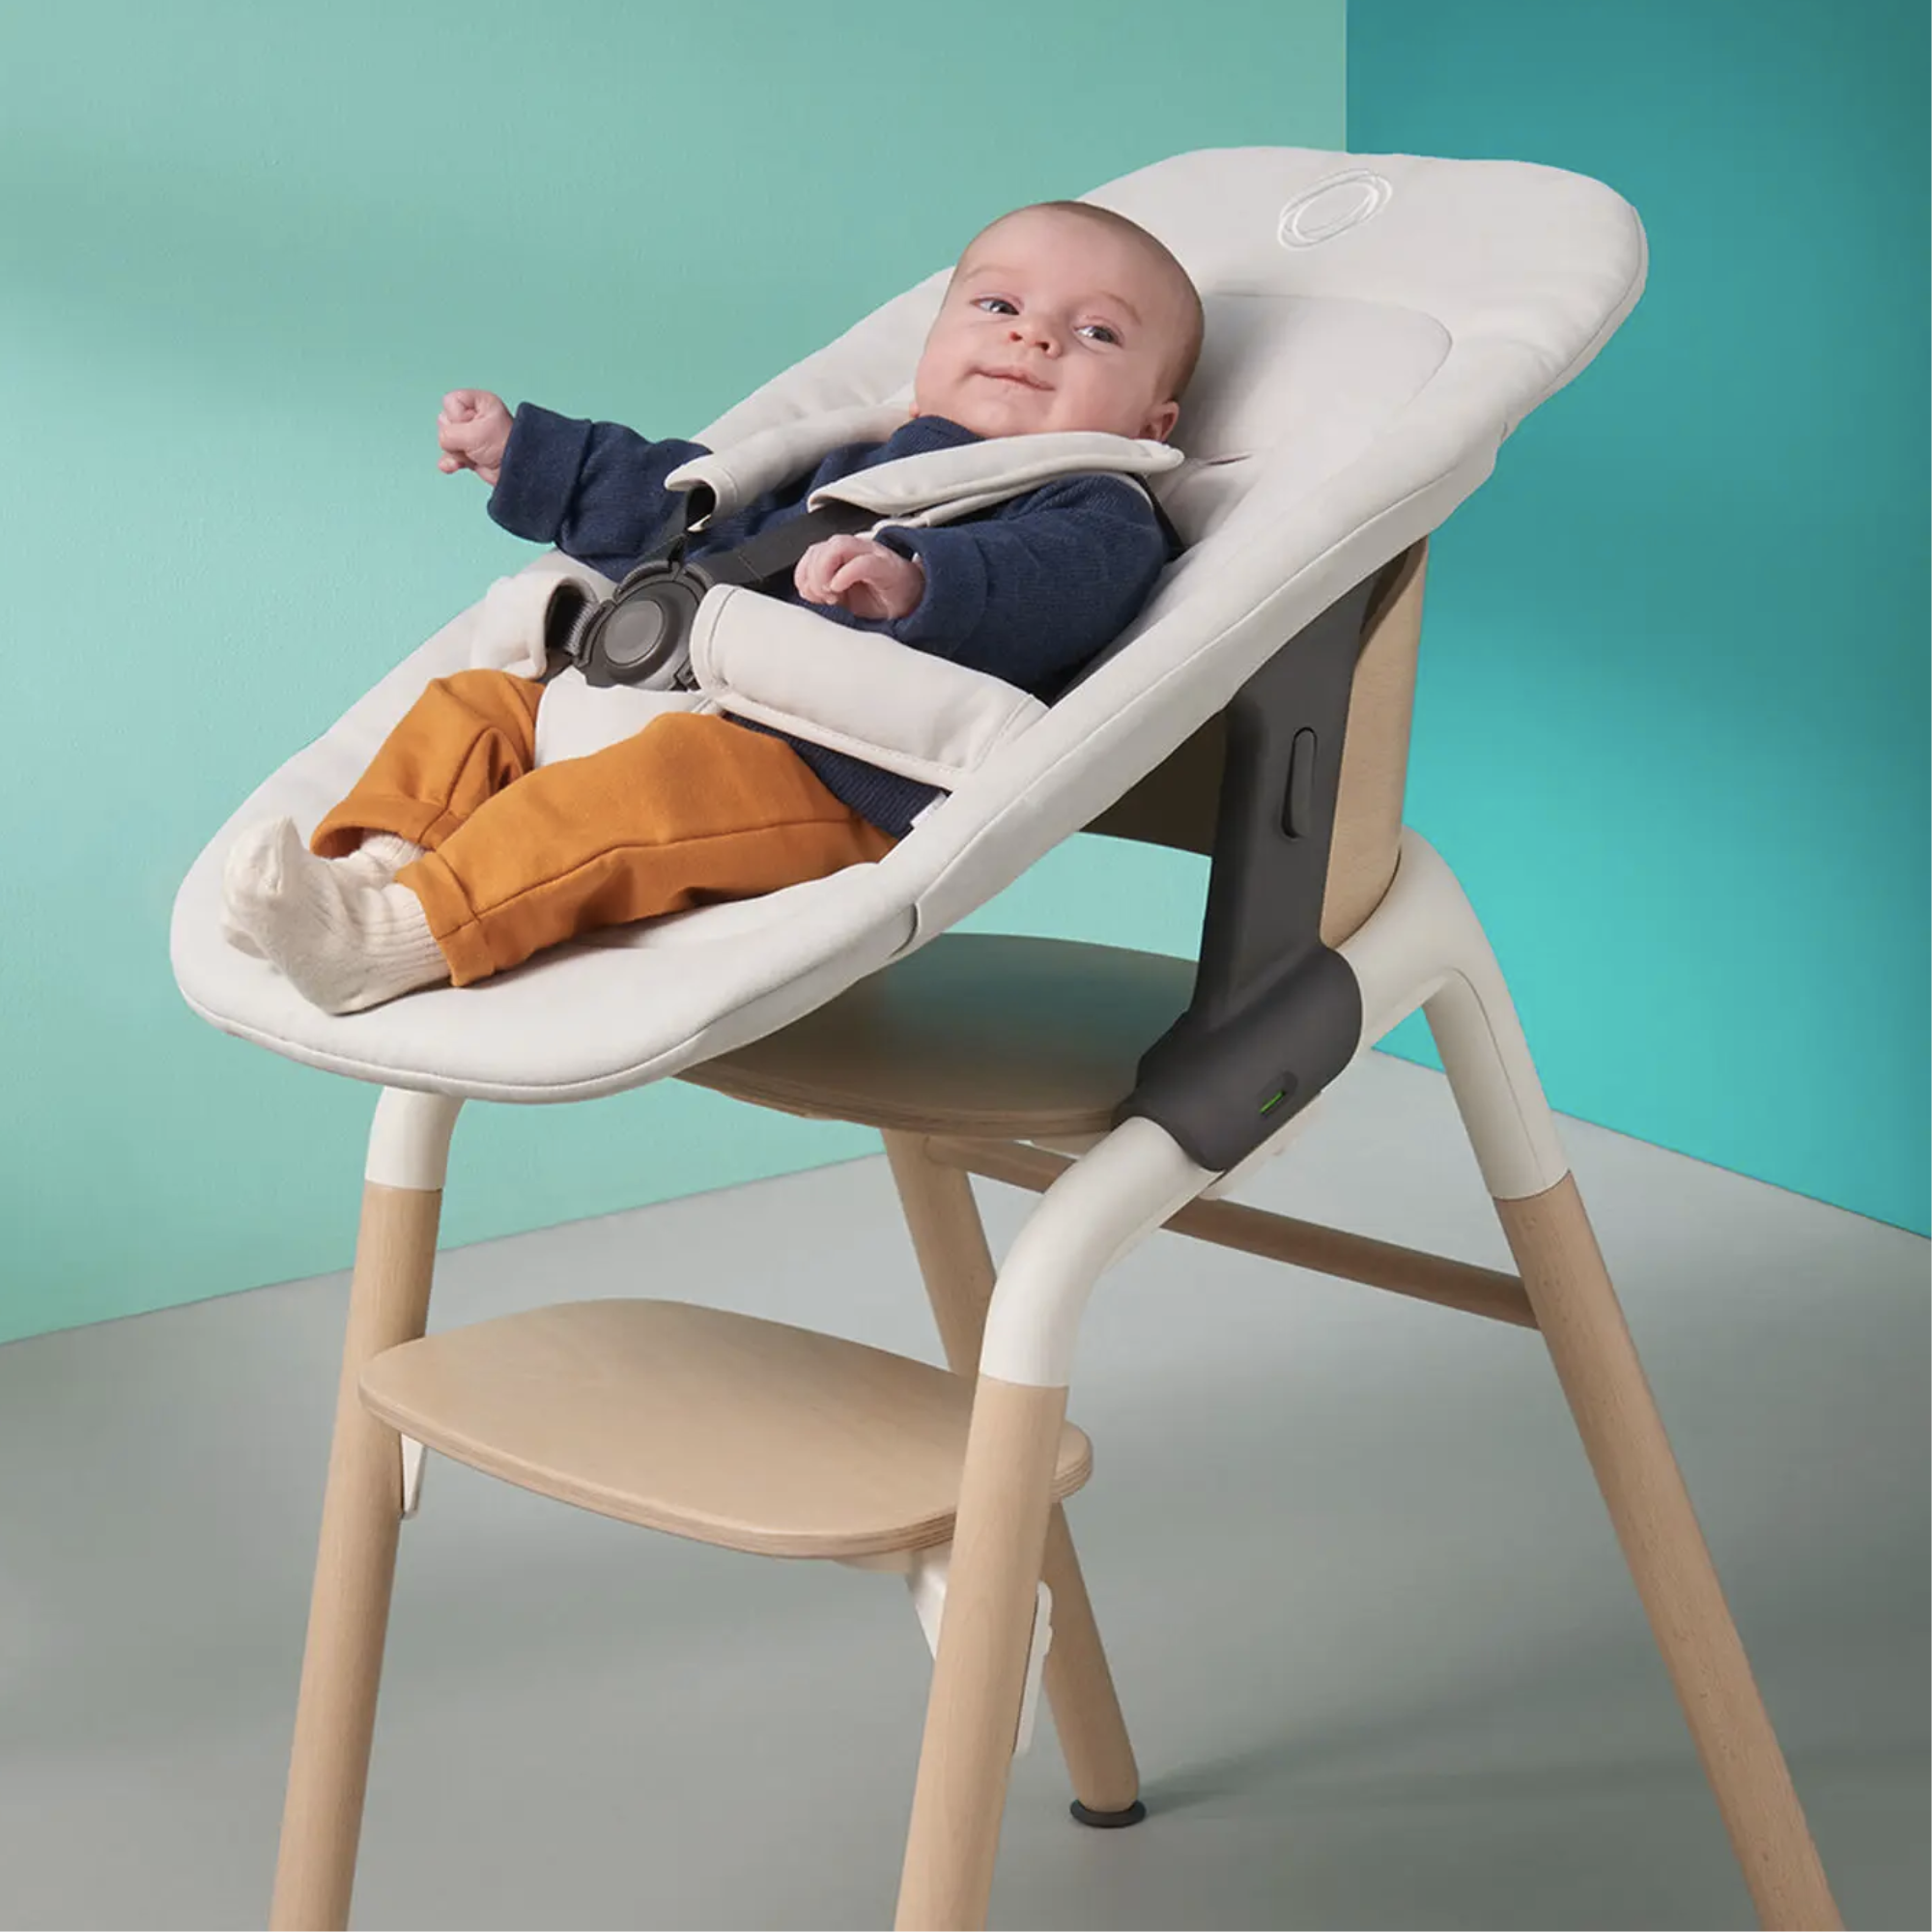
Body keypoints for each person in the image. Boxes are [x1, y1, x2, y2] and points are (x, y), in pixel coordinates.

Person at [222, 200, 1205, 1012]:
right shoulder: (846, 457)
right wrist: (527, 457)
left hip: (829, 771)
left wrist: (916, 579)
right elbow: (682, 498)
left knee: (626, 803)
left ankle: (396, 936)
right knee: (474, 707)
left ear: (1152, 421)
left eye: (1096, 332)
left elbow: (1050, 586)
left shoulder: (1097, 506)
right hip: (648, 693)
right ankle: (368, 873)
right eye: (997, 305)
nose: (1034, 335)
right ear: (931, 349)